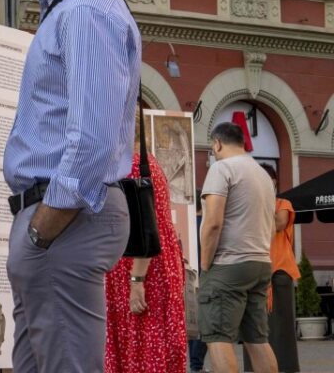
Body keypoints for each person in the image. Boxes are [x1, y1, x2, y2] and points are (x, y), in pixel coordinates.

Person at [0, 0, 139, 372]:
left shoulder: (86, 9)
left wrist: (41, 233)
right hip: (56, 225)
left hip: (62, 224)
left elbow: (91, 138)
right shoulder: (71, 10)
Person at [199, 123, 278, 373]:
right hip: (260, 262)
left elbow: (212, 223)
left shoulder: (221, 168)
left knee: (218, 338)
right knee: (258, 340)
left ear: (217, 144)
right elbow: (273, 223)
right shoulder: (263, 174)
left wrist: (204, 265)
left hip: (228, 265)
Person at [105, 152, 187, 373]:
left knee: (143, 347)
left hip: (142, 270)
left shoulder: (130, 165)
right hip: (151, 266)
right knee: (149, 348)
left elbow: (146, 225)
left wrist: (136, 280)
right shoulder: (145, 161)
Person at [243, 165, 300, 373]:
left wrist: (259, 207)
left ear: (274, 182)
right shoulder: (248, 205)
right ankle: (254, 368)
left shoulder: (283, 204)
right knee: (254, 325)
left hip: (279, 272)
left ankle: (286, 368)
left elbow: (279, 223)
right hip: (255, 270)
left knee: (282, 326)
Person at [190, 193, 210, 373]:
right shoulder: (206, 224)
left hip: (186, 277)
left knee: (189, 321)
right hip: (205, 276)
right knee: (203, 324)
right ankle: (197, 365)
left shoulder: (186, 223)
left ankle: (192, 363)